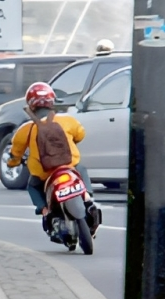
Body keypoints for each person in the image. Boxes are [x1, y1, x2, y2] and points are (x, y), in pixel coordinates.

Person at [7, 82, 101, 241]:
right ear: (52, 101)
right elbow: (80, 135)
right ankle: (87, 197)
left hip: (44, 174)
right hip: (69, 166)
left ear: (30, 104)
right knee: (81, 169)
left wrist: (13, 163)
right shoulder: (68, 120)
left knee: (32, 185)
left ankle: (44, 210)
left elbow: (15, 152)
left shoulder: (26, 129)